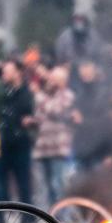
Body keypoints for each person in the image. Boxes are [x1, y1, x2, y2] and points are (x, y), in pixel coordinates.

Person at [32, 65, 76, 207]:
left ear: (63, 81)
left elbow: (55, 110)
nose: (50, 82)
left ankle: (62, 216)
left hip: (59, 147)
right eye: (51, 79)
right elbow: (38, 116)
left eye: (54, 79)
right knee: (42, 187)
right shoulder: (43, 95)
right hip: (41, 147)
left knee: (59, 185)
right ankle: (44, 216)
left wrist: (41, 98)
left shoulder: (68, 95)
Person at [0, 58, 35, 203]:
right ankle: (5, 213)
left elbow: (36, 115)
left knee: (23, 180)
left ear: (17, 73)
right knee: (1, 180)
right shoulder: (5, 92)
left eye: (7, 72)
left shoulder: (27, 93)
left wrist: (31, 120)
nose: (3, 74)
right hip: (5, 142)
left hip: (21, 142)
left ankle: (28, 216)